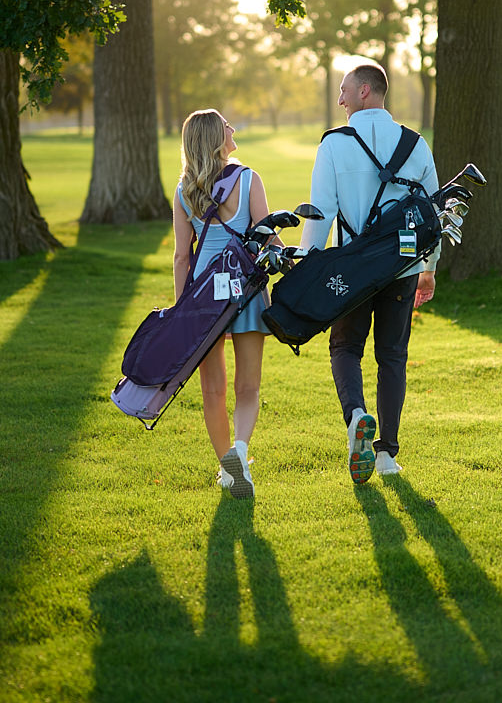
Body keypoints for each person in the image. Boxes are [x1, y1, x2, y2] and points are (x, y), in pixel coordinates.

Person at [301, 61, 440, 484]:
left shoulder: (333, 145)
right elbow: (434, 213)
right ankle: (387, 455)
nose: (339, 99)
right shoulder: (416, 145)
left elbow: (320, 213)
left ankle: (357, 416)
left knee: (344, 348)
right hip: (402, 268)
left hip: (352, 270)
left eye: (344, 90)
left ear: (364, 92)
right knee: (393, 357)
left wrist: (308, 266)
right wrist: (428, 269)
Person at [173, 109, 273, 499]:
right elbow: (266, 236)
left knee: (213, 391)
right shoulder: (248, 178)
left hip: (203, 299)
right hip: (244, 291)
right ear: (217, 137)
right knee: (248, 387)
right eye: (227, 125)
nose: (233, 128)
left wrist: (182, 310)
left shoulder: (184, 190)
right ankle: (241, 452)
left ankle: (227, 470)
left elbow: (182, 257)